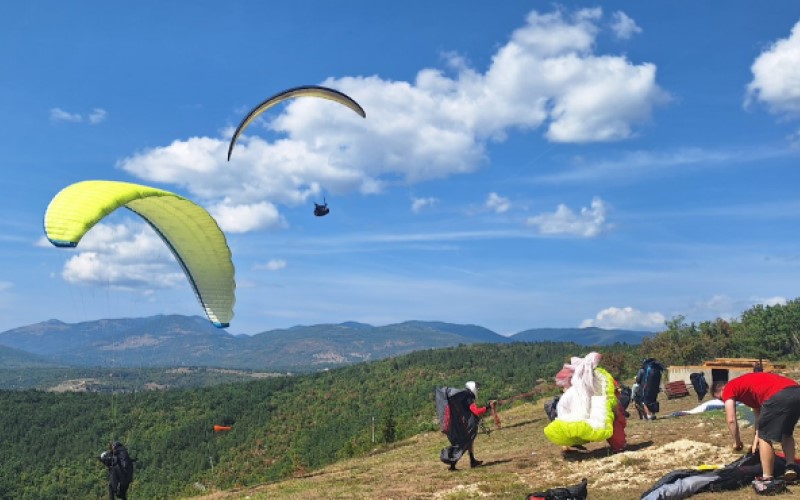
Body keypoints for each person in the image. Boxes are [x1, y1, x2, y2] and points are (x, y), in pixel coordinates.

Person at [712, 372, 800, 495]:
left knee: (765, 437)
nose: (724, 401)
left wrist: (737, 442)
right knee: (786, 433)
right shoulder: (747, 389)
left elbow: (731, 419)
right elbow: (760, 420)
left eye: (721, 399)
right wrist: (754, 443)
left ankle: (767, 479)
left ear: (721, 389)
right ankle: (791, 467)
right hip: (796, 391)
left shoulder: (729, 388)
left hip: (778, 395)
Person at [439, 381, 493, 471]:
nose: (477, 390)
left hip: (459, 425)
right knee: (463, 444)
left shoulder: (463, 396)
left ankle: (472, 461)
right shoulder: (468, 397)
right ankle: (452, 465)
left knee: (468, 442)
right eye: (476, 388)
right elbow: (476, 411)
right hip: (465, 426)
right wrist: (487, 407)